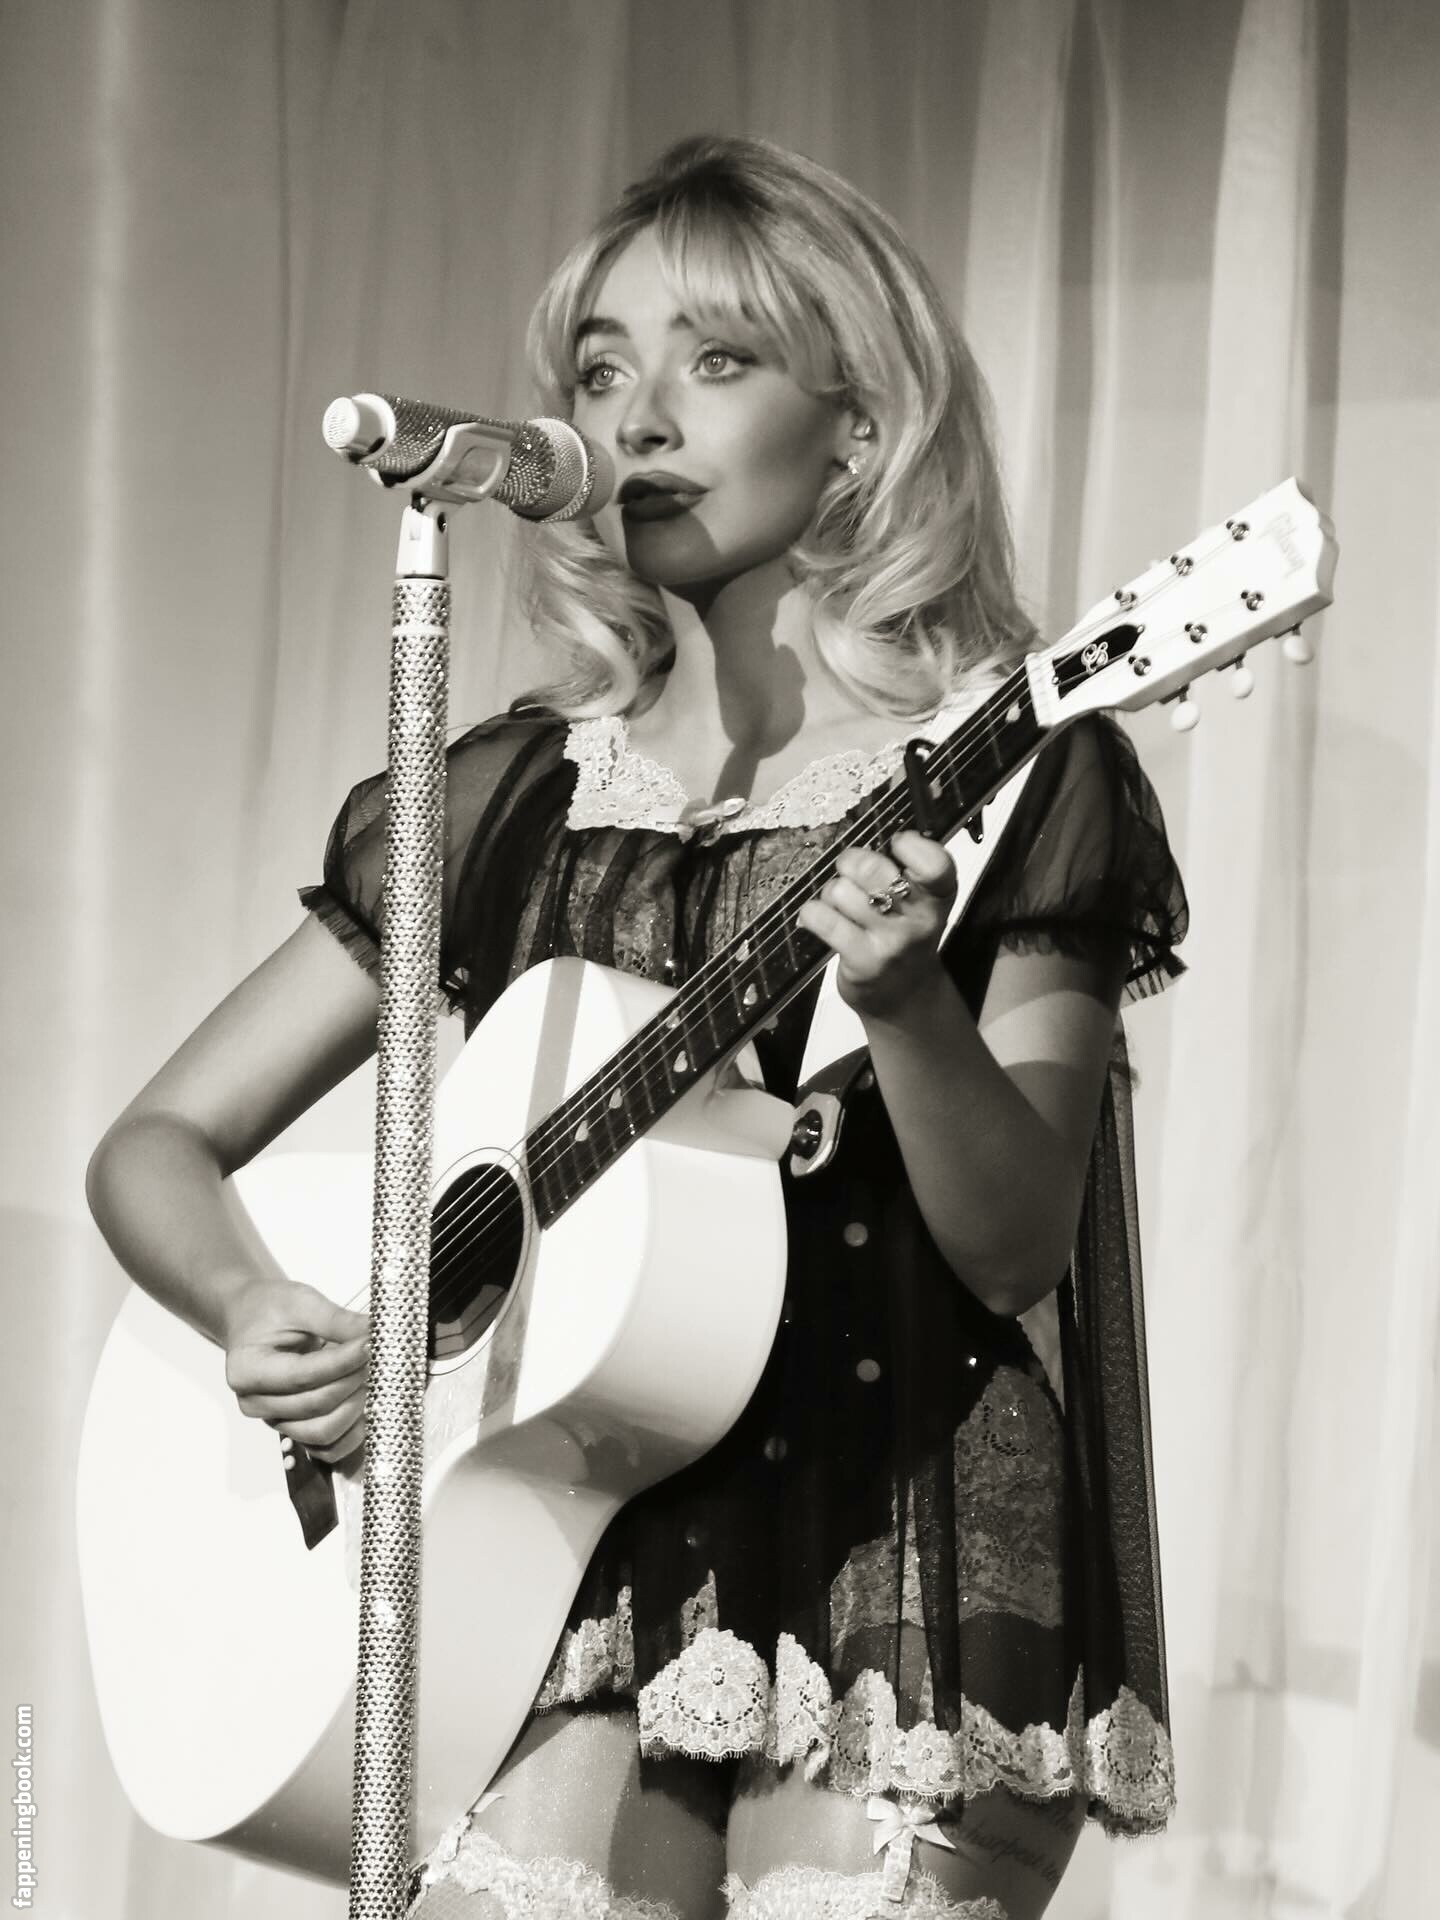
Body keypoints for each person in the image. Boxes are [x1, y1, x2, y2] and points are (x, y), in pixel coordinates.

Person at [86, 136, 1188, 1920]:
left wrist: (904, 1004)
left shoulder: (1013, 778)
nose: (642, 417)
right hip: (552, 1553)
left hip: (887, 1539)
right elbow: (156, 1145)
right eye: (601, 374)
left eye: (718, 360)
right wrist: (246, 1304)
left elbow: (1014, 1246)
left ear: (863, 425)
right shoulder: (511, 797)